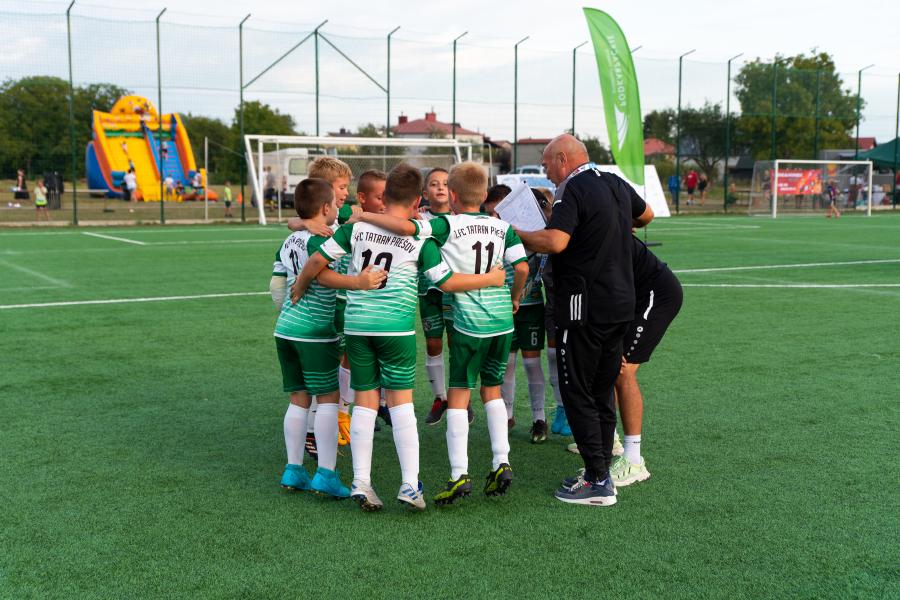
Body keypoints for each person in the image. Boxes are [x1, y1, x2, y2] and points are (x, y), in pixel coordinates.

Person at [292, 163, 505, 512]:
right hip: (396, 330)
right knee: (401, 402)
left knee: (364, 401)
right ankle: (409, 484)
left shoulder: (356, 228)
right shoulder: (420, 237)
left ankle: (361, 481)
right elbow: (447, 282)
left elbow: (317, 261)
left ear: (385, 196)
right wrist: (491, 279)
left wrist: (300, 286)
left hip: (358, 326)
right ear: (418, 200)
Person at [359, 161, 529, 506]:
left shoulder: (445, 224)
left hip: (470, 324)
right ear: (483, 194)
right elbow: (522, 267)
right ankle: (501, 461)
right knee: (492, 390)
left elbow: (404, 227)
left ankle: (458, 474)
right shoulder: (502, 227)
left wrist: (362, 216)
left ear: (452, 195)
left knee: (459, 393)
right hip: (502, 322)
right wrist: (515, 296)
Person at [516, 134, 653, 507]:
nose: (546, 171)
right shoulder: (613, 182)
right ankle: (600, 469)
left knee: (577, 389)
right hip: (620, 301)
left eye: (547, 163)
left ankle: (597, 481)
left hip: (582, 306)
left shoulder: (571, 188)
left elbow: (556, 242)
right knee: (601, 388)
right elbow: (646, 215)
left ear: (563, 159)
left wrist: (515, 234)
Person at [270, 178, 387, 498]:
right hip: (315, 333)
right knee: (328, 400)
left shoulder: (289, 240)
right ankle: (326, 473)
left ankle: (293, 469)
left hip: (285, 329)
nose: (339, 208)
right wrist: (359, 281)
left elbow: (277, 282)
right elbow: (322, 275)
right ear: (325, 208)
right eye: (335, 204)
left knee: (298, 398)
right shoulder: (320, 240)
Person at [567, 236, 683, 487]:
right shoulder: (587, 230)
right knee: (606, 367)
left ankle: (634, 460)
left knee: (623, 371)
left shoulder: (598, 230)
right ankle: (608, 442)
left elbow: (644, 216)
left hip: (655, 295)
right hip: (628, 297)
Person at [484, 187, 551, 443]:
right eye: (490, 213)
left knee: (532, 363)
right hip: (503, 308)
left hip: (531, 307)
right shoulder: (490, 237)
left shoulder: (531, 234)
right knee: (507, 363)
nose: (494, 218)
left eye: (498, 213)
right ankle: (507, 415)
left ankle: (539, 418)